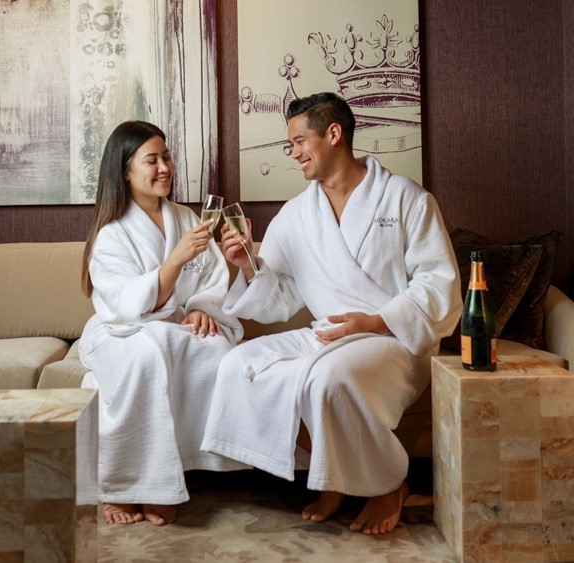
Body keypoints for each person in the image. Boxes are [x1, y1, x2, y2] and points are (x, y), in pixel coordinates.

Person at [201, 92, 462, 535]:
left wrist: (374, 321)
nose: (294, 153)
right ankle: (337, 474)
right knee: (237, 365)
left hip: (394, 338)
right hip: (329, 332)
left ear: (334, 134)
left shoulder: (405, 198)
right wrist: (247, 264)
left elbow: (438, 283)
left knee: (328, 379)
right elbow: (281, 293)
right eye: (291, 145)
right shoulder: (297, 214)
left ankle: (388, 485)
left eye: (300, 141)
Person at [79, 121, 245, 526]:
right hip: (121, 329)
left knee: (218, 350)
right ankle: (123, 486)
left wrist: (202, 308)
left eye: (166, 158)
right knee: (147, 356)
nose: (165, 168)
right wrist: (176, 259)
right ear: (125, 171)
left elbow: (210, 279)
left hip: (174, 323)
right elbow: (127, 303)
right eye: (151, 160)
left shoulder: (186, 218)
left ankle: (179, 469)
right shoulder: (112, 235)